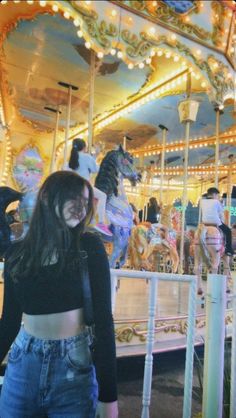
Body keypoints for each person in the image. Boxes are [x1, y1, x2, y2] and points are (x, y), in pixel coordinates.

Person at [0, 171, 118, 418]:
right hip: (23, 363)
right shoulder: (17, 253)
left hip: (73, 364)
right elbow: (9, 322)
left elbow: (104, 322)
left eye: (85, 202)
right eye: (73, 198)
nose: (80, 207)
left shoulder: (89, 247)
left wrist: (109, 397)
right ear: (47, 198)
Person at [68, 138, 112, 237]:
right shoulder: (86, 157)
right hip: (83, 186)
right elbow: (96, 169)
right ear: (84, 147)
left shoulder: (71, 158)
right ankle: (99, 222)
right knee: (102, 196)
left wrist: (94, 156)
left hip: (71, 187)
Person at [200, 186, 234, 256]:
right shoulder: (216, 202)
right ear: (214, 194)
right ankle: (228, 249)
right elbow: (221, 213)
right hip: (215, 222)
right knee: (228, 231)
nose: (217, 197)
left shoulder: (202, 201)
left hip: (204, 223)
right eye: (217, 195)